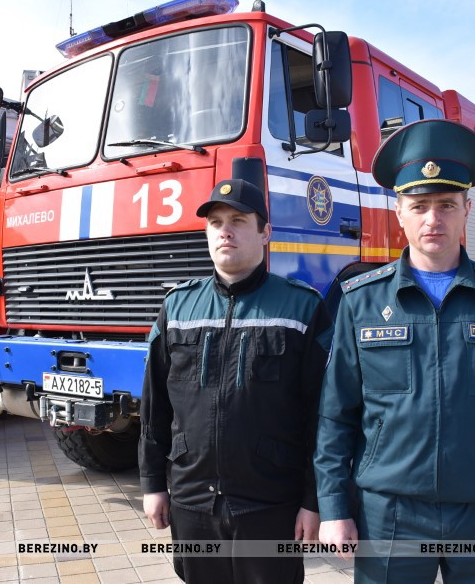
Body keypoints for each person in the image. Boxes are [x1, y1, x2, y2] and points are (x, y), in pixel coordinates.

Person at [314, 119, 475, 583]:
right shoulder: (360, 302)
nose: (433, 219)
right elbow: (336, 416)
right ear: (399, 212)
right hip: (389, 514)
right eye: (419, 205)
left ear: (467, 209)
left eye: (447, 205)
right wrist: (333, 507)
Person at [140, 178, 334, 583]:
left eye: (238, 221)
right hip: (192, 501)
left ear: (265, 232)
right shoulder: (177, 306)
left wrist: (314, 501)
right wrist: (152, 484)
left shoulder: (301, 306)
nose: (225, 231)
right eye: (215, 223)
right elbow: (155, 406)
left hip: (271, 504)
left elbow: (323, 415)